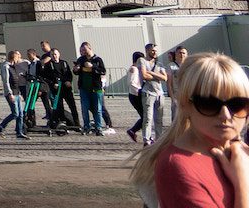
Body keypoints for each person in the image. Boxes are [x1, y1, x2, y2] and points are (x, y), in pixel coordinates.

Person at [129, 51, 249, 208]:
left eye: (237, 104)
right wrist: (243, 185)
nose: (226, 115)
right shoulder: (177, 167)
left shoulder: (240, 153)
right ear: (185, 105)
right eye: (209, 104)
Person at [0, 50, 32, 140]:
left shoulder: (13, 66)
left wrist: (19, 93)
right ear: (14, 57)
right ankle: (2, 126)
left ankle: (19, 132)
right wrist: (9, 93)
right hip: (11, 93)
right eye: (17, 57)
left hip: (17, 92)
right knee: (15, 113)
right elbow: (6, 81)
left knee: (20, 114)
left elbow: (16, 80)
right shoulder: (6, 66)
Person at [76, 41, 108, 136]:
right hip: (84, 88)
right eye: (82, 50)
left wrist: (93, 67)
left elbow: (103, 71)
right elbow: (76, 71)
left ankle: (99, 128)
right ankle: (86, 126)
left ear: (90, 48)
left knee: (98, 109)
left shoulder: (98, 60)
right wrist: (76, 69)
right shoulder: (81, 60)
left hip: (96, 88)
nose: (84, 52)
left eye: (85, 50)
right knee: (84, 108)